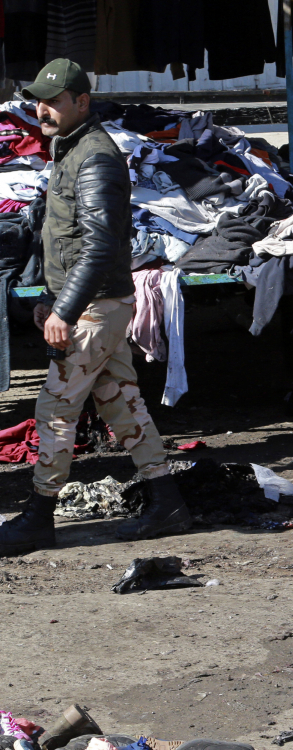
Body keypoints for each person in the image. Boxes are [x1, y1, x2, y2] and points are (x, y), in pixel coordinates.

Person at [0, 59, 192, 557]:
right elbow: (65, 242)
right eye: (39, 100)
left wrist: (64, 310)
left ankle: (39, 517)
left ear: (81, 102)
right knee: (120, 401)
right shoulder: (70, 148)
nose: (43, 109)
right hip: (95, 302)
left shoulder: (95, 157)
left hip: (95, 308)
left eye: (55, 100)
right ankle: (167, 500)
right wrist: (50, 299)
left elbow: (101, 244)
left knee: (56, 410)